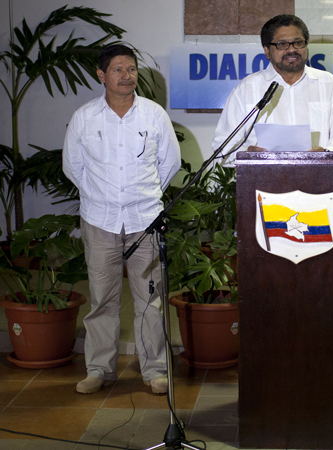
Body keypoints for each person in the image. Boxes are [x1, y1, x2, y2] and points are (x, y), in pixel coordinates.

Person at [63, 44, 181, 395]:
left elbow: (169, 163)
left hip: (145, 221)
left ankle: (155, 371)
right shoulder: (85, 117)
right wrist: (102, 196)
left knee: (150, 299)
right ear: (102, 75)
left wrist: (141, 196)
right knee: (102, 299)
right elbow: (73, 167)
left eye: (131, 69)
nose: (126, 75)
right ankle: (99, 370)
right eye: (118, 69)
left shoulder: (154, 115)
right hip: (100, 221)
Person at [212, 14, 333, 159]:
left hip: (319, 172)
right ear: (267, 51)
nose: (291, 49)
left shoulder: (328, 84)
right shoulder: (247, 88)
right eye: (282, 44)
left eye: (298, 42)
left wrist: (326, 153)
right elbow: (223, 144)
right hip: (263, 173)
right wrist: (248, 156)